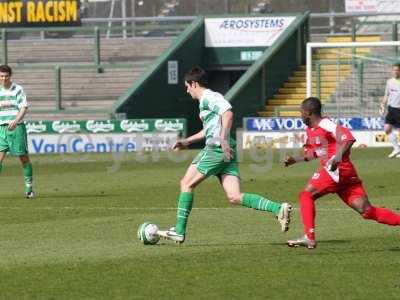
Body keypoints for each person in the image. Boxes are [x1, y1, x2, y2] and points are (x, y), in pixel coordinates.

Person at [157, 66, 292, 243]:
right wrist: (187, 141)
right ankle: (277, 208)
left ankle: (179, 231)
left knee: (186, 183)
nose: (186, 89)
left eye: (187, 86)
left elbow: (227, 114)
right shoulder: (205, 102)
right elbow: (209, 128)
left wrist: (222, 139)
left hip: (217, 149)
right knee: (234, 196)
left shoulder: (209, 97)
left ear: (194, 83)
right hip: (226, 150)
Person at [284, 97, 400, 249]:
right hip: (345, 175)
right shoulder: (310, 130)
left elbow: (348, 139)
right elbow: (314, 152)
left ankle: (309, 237)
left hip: (337, 171)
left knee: (306, 195)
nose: (300, 116)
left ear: (308, 113)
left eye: (301, 113)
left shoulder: (326, 124)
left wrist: (336, 159)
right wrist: (295, 159)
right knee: (366, 210)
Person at [0, 65, 34, 199]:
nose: (3, 78)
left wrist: (15, 120)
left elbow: (24, 107)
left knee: (23, 158)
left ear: (10, 76)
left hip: (16, 128)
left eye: (6, 76)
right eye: (1, 76)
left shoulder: (18, 89)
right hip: (1, 128)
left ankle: (29, 188)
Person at [380, 64, 400, 158]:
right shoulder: (389, 82)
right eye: (394, 70)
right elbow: (386, 95)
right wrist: (382, 105)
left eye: (397, 70)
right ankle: (397, 148)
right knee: (387, 129)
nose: (395, 72)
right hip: (391, 109)